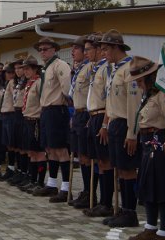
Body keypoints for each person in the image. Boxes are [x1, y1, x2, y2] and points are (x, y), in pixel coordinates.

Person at [125, 56, 165, 240]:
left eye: (140, 79)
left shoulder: (161, 95)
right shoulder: (147, 95)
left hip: (159, 141)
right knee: (148, 185)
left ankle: (164, 230)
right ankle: (151, 226)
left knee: (160, 185)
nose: (137, 83)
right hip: (146, 141)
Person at [100, 29, 142, 227]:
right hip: (115, 123)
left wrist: (132, 133)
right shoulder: (114, 69)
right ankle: (123, 210)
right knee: (119, 169)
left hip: (126, 123)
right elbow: (110, 101)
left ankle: (130, 211)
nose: (103, 52)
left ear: (117, 47)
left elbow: (133, 104)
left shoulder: (129, 68)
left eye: (106, 48)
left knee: (128, 169)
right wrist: (106, 124)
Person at [31, 37, 72, 203]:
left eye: (46, 49)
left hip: (57, 109)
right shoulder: (45, 68)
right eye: (40, 49)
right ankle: (52, 183)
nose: (42, 52)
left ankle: (66, 187)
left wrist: (68, 107)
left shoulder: (60, 65)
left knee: (61, 149)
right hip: (46, 111)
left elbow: (67, 88)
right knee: (50, 148)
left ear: (54, 49)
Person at [83, 33, 115, 217]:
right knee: (99, 161)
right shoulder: (95, 69)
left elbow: (110, 98)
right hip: (93, 116)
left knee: (105, 161)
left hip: (103, 115)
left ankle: (106, 202)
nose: (86, 53)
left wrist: (105, 123)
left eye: (89, 49)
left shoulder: (107, 69)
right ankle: (100, 201)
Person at [67, 35, 98, 208]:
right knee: (81, 156)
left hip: (87, 113)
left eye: (77, 49)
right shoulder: (79, 69)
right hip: (78, 113)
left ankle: (91, 192)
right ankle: (87, 191)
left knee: (88, 156)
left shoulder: (91, 68)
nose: (73, 52)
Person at [16, 56, 48, 194]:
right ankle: (32, 179)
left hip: (36, 120)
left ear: (35, 69)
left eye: (28, 69)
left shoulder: (39, 82)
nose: (26, 71)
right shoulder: (29, 83)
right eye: (24, 69)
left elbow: (43, 101)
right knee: (31, 152)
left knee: (39, 153)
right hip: (27, 119)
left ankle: (40, 182)